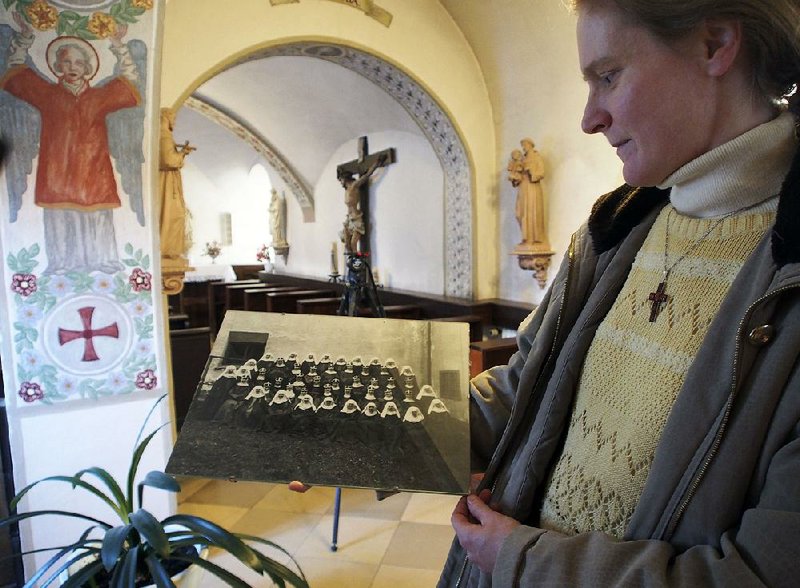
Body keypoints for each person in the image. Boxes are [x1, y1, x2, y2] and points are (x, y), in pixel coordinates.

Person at [438, 0, 800, 586]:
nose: (589, 118)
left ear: (715, 45)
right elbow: (518, 394)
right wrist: (366, 435)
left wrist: (525, 562)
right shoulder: (614, 231)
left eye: (607, 76)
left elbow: (761, 575)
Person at [1, 13, 140, 274]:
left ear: (87, 68)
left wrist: (120, 46)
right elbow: (16, 71)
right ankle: (62, 263)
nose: (72, 67)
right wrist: (25, 37)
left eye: (78, 62)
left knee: (98, 216)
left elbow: (131, 82)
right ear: (58, 66)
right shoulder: (47, 94)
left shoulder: (101, 96)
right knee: (60, 216)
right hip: (58, 172)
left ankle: (103, 261)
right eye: (66, 62)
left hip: (93, 172)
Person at [159, 108, 195, 261]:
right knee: (174, 215)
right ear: (166, 118)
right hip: (168, 186)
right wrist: (182, 154)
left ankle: (169, 249)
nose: (174, 121)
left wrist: (181, 152)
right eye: (172, 118)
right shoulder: (165, 137)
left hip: (169, 183)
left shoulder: (164, 137)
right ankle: (168, 250)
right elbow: (169, 161)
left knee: (174, 215)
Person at [339, 154, 385, 254]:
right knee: (347, 244)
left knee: (353, 243)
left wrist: (376, 165)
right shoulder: (346, 190)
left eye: (341, 179)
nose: (340, 182)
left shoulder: (354, 186)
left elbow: (367, 175)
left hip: (356, 218)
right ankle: (352, 264)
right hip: (349, 218)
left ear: (345, 178)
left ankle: (358, 264)